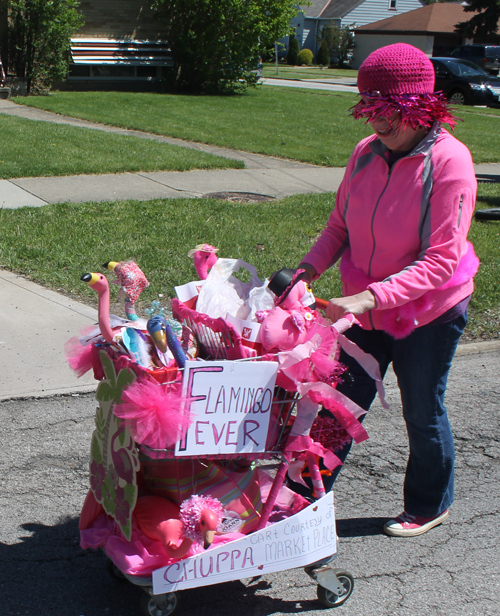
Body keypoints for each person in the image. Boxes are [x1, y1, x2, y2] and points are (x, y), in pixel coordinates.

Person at [292, 43, 478, 537]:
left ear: (421, 106)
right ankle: (304, 498)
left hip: (429, 312)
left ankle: (428, 503)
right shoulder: (364, 154)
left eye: (389, 112)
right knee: (337, 403)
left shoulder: (450, 162)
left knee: (421, 406)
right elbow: (339, 226)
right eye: (371, 112)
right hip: (366, 309)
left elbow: (443, 259)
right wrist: (307, 269)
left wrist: (368, 297)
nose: (378, 125)